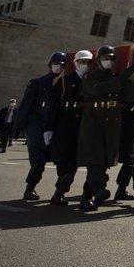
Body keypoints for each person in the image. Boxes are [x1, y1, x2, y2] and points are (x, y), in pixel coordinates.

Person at [78, 45, 134, 212]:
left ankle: (86, 198)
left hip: (111, 125)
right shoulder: (90, 76)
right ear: (98, 61)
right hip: (93, 123)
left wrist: (128, 81)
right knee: (95, 159)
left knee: (101, 162)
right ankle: (100, 190)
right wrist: (121, 80)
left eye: (111, 59)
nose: (109, 62)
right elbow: (97, 89)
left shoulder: (117, 78)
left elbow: (130, 98)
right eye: (105, 59)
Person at [14, 52, 65, 200]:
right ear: (50, 65)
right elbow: (25, 106)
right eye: (55, 64)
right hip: (36, 124)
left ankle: (59, 193)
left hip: (52, 126)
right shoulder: (38, 83)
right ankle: (29, 189)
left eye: (61, 65)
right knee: (38, 161)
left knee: (59, 160)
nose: (58, 67)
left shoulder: (64, 84)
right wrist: (18, 127)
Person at [47, 50, 88, 206]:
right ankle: (59, 191)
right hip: (64, 124)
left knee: (74, 160)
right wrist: (48, 128)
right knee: (63, 158)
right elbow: (53, 106)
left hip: (81, 125)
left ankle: (62, 189)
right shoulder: (63, 81)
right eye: (83, 62)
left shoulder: (89, 81)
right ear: (76, 63)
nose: (85, 65)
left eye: (88, 63)